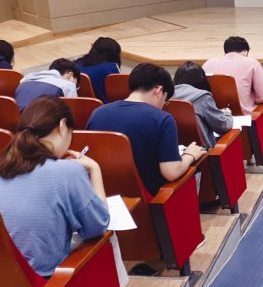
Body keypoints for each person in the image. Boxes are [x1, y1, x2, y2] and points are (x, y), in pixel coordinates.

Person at [0, 96, 110, 278]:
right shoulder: (68, 171)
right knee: (107, 242)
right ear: (63, 125)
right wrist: (94, 169)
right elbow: (98, 226)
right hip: (43, 282)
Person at [86, 63, 206, 197]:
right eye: (165, 101)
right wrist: (189, 156)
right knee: (195, 170)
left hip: (102, 195)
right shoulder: (162, 119)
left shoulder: (97, 113)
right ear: (159, 91)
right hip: (150, 200)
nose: (163, 106)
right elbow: (171, 172)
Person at [202, 36, 263, 115]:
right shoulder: (253, 63)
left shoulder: (208, 63)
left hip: (212, 116)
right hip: (242, 117)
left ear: (225, 51)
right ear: (246, 52)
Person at [173, 61, 234, 147]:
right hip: (202, 150)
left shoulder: (167, 96)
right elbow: (222, 126)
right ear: (201, 79)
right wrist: (227, 114)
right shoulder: (202, 97)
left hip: (176, 149)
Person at [15, 58, 80, 112]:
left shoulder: (24, 80)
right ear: (70, 75)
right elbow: (73, 114)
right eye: (76, 84)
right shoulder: (68, 85)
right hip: (44, 123)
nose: (75, 88)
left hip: (18, 122)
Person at [76, 37, 122, 102]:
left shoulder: (77, 63)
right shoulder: (111, 68)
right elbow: (117, 94)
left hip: (79, 104)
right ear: (114, 53)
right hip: (105, 105)